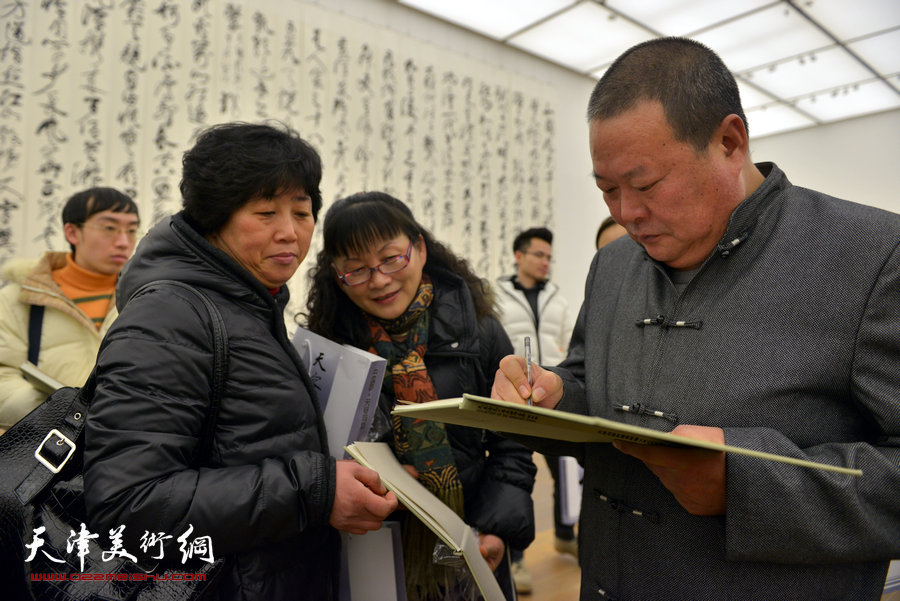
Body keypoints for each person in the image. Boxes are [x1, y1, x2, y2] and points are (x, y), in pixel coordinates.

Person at [491, 37, 900, 601]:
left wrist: (748, 486)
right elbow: (589, 379)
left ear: (730, 142)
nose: (627, 214)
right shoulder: (612, 265)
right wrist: (554, 396)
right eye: (607, 190)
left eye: (645, 184)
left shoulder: (872, 257)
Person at [83, 122, 398, 601]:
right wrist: (314, 492)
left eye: (302, 211)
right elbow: (128, 503)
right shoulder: (170, 318)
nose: (290, 232)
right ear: (216, 218)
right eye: (266, 212)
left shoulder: (252, 306)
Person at [305, 191, 536, 601]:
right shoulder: (329, 350)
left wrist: (496, 528)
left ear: (420, 248)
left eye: (392, 258)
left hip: (471, 540)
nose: (378, 280)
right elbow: (316, 451)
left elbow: (513, 439)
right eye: (355, 269)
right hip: (370, 548)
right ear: (335, 275)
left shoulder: (479, 333)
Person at [0, 187, 139, 434]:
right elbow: (3, 377)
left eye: (131, 230)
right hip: (40, 447)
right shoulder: (18, 298)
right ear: (72, 232)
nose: (123, 242)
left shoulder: (146, 298)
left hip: (123, 446)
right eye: (109, 228)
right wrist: (61, 411)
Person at [494, 227, 575, 593]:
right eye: (539, 255)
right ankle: (516, 558)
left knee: (563, 470)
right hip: (515, 400)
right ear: (519, 256)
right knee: (517, 474)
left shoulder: (558, 299)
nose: (546, 262)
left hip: (551, 399)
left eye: (549, 257)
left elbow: (574, 345)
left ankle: (563, 534)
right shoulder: (497, 296)